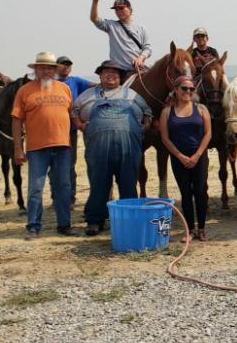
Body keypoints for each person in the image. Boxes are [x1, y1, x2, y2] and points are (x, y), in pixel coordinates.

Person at [72, 60, 152, 236]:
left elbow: (147, 113)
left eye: (115, 73)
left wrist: (143, 128)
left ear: (120, 77)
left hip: (128, 150)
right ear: (100, 75)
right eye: (106, 72)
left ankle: (130, 221)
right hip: (98, 151)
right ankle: (95, 221)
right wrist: (81, 125)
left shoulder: (131, 94)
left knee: (128, 186)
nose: (111, 75)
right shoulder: (87, 96)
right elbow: (74, 112)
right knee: (99, 185)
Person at [11, 52, 78, 239]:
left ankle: (64, 225)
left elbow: (71, 115)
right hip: (36, 149)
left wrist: (82, 125)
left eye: (50, 67)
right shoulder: (25, 91)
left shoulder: (64, 89)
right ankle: (33, 227)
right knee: (35, 188)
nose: (46, 71)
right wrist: (18, 148)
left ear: (55, 70)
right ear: (35, 70)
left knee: (63, 187)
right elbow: (16, 121)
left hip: (63, 147)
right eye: (42, 67)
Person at [160, 75, 212, 242]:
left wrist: (197, 155)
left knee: (200, 191)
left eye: (191, 89)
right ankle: (189, 230)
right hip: (178, 158)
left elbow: (208, 134)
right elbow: (165, 138)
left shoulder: (202, 109)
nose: (188, 92)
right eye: (184, 88)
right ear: (175, 90)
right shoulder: (167, 112)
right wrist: (180, 156)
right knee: (185, 192)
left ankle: (202, 228)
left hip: (199, 157)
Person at [54, 56, 94, 206]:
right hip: (54, 128)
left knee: (70, 163)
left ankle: (70, 196)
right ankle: (55, 195)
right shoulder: (50, 83)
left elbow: (96, 86)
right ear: (56, 66)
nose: (65, 67)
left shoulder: (76, 81)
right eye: (62, 64)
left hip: (71, 129)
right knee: (54, 165)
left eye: (68, 65)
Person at [89, 0, 152, 79]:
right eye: (116, 10)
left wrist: (141, 58)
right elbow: (94, 19)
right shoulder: (111, 25)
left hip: (137, 70)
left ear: (129, 9)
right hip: (119, 72)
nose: (118, 11)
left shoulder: (141, 28)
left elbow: (147, 49)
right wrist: (95, 1)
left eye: (121, 8)